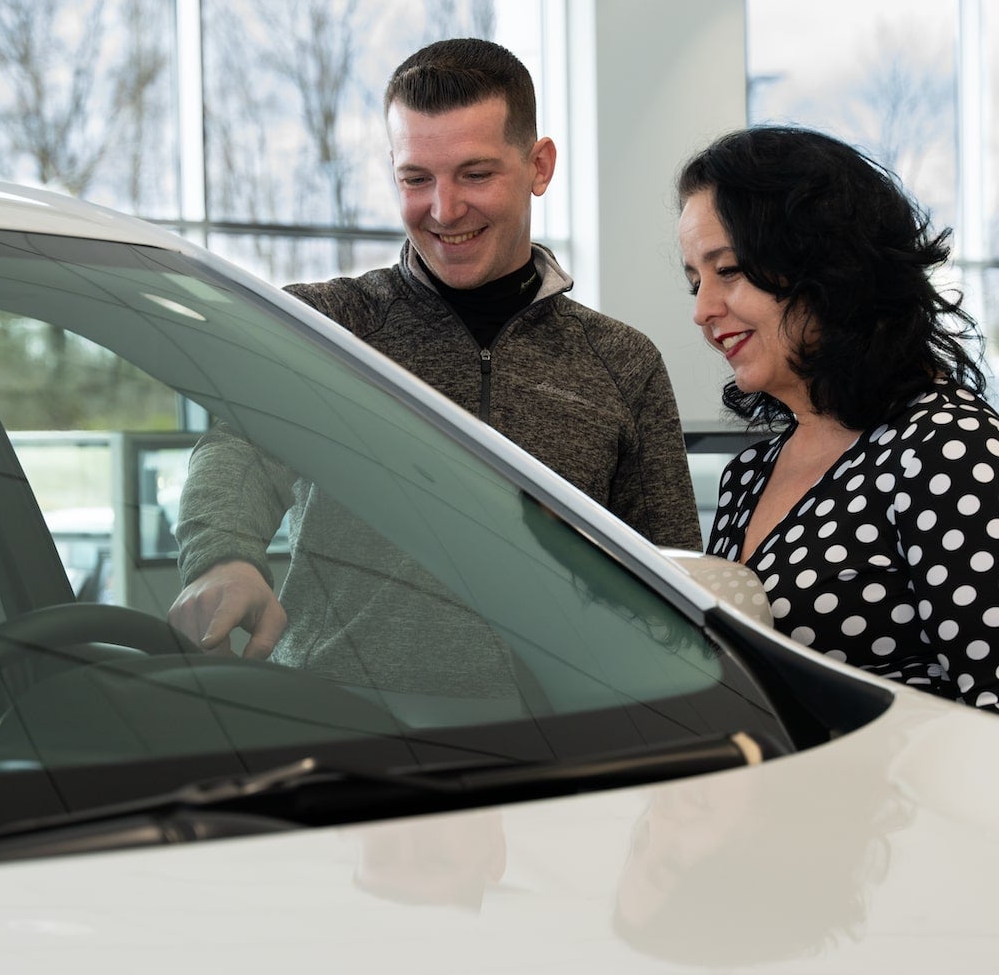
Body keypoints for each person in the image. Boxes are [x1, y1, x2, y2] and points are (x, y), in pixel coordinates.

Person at [171, 38, 699, 661]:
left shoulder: (622, 362)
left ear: (539, 166)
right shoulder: (328, 324)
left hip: (568, 718)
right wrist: (224, 559)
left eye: (476, 175)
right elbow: (238, 453)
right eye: (416, 179)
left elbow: (672, 582)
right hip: (337, 707)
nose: (444, 211)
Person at [679, 125, 999, 729]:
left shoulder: (949, 451)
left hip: (896, 792)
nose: (702, 310)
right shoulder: (751, 474)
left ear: (827, 265)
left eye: (728, 269)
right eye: (694, 281)